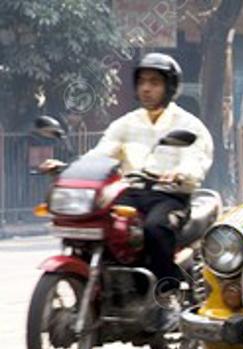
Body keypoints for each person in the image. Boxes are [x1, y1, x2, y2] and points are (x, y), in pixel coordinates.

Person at [41, 53, 214, 329]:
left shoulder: (189, 125)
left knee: (156, 229)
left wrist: (181, 173)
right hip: (131, 192)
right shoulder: (126, 123)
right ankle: (99, 285)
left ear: (170, 87)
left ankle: (167, 298)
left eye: (155, 82)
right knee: (98, 223)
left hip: (169, 195)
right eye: (142, 81)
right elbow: (100, 154)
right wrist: (68, 166)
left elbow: (196, 159)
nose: (146, 88)